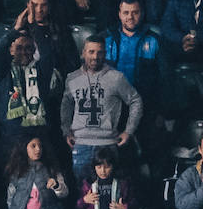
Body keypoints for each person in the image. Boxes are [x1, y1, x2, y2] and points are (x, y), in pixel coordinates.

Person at [61, 37, 143, 184]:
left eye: (99, 52)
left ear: (105, 54)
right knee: (83, 194)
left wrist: (129, 131)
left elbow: (135, 100)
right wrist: (66, 130)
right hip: (81, 145)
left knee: (109, 192)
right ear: (83, 53)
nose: (95, 57)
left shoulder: (117, 78)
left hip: (108, 143)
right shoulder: (72, 78)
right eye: (91, 52)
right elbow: (66, 104)